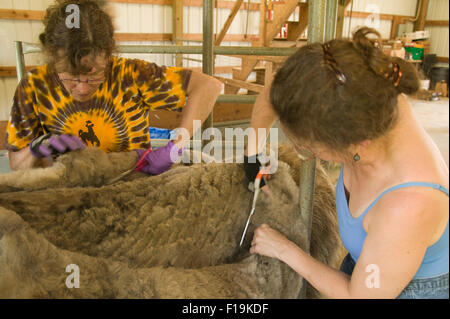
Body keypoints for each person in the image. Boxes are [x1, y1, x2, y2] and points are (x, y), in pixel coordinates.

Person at [244, 27, 449, 299]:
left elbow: (359, 295)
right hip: (368, 260)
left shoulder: (409, 203)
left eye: (309, 149)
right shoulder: (359, 90)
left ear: (356, 142)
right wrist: (253, 154)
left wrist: (283, 248)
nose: (305, 152)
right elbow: (277, 93)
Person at [5, 0, 222, 174]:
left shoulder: (131, 75)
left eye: (94, 75)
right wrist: (35, 149)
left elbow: (209, 86)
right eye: (70, 77)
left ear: (109, 55)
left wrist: (177, 146)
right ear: (52, 56)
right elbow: (16, 163)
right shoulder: (34, 86)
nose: (82, 89)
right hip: (65, 195)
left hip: (129, 187)